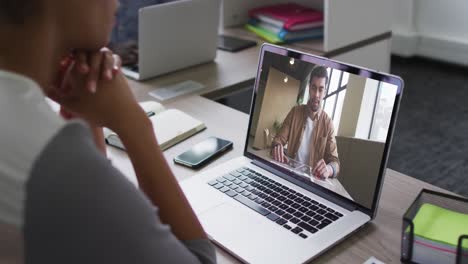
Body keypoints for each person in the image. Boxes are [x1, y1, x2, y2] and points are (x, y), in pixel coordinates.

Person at [0, 1, 215, 263]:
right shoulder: (48, 157)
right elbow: (198, 259)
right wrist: (134, 125)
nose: (118, 2)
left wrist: (82, 111)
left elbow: (89, 228)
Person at [271, 66, 340, 180]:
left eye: (321, 89)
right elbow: (279, 139)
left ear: (325, 92)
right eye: (314, 88)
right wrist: (277, 146)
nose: (317, 94)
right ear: (309, 88)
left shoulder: (328, 124)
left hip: (311, 182)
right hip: (289, 174)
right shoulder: (295, 112)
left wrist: (329, 169)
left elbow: (335, 162)